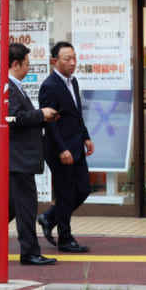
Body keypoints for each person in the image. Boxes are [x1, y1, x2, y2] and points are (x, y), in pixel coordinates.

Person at [0, 43, 59, 266]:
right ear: (15, 64)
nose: (28, 68)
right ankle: (29, 252)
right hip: (16, 157)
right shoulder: (5, 88)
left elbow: (17, 117)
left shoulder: (10, 86)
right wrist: (41, 114)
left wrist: (41, 116)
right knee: (26, 207)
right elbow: (12, 118)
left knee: (11, 205)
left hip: (16, 155)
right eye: (27, 64)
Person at [37, 42, 94, 253]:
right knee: (65, 193)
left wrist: (86, 137)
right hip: (59, 149)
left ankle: (49, 217)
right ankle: (65, 238)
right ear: (55, 61)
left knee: (83, 189)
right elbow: (49, 123)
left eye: (74, 58)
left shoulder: (73, 82)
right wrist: (61, 149)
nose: (72, 62)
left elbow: (76, 114)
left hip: (76, 145)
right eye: (67, 59)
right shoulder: (49, 86)